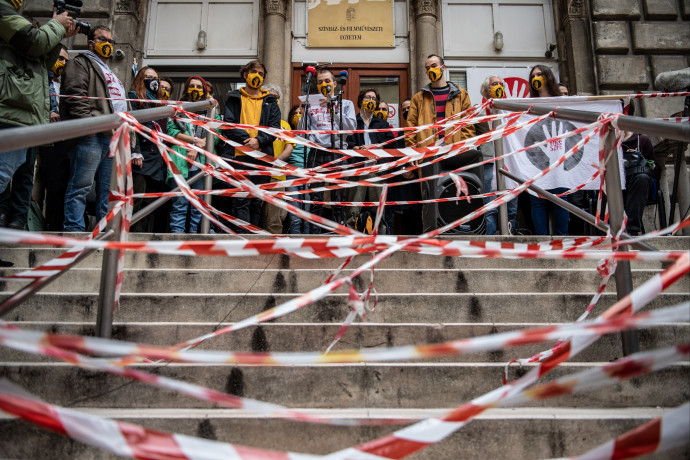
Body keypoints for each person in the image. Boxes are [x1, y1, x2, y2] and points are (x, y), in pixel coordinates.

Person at [0, 0, 76, 197]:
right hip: (10, 108)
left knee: (9, 174)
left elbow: (40, 63)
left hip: (20, 111)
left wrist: (58, 34)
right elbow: (35, 43)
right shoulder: (2, 9)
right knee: (3, 175)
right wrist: (57, 25)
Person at [60, 25, 127, 232]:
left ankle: (104, 230)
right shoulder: (80, 63)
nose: (106, 44)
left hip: (113, 136)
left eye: (110, 40)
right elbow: (75, 93)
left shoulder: (111, 72)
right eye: (101, 39)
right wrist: (87, 125)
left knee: (108, 190)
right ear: (91, 43)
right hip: (92, 133)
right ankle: (74, 228)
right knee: (81, 184)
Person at [406, 54, 481, 231]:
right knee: (429, 198)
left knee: (454, 193)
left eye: (433, 65)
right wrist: (412, 153)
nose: (430, 69)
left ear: (443, 67)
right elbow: (411, 129)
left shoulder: (461, 95)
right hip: (427, 155)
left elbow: (468, 125)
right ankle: (430, 234)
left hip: (454, 155)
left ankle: (454, 232)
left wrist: (462, 151)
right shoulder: (418, 98)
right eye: (427, 67)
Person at [218, 60, 280, 232]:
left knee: (257, 200)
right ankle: (242, 237)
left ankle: (254, 237)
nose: (257, 76)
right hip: (238, 156)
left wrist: (259, 141)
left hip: (262, 157)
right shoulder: (233, 98)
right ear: (245, 74)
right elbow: (229, 124)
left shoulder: (270, 101)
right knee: (240, 199)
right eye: (254, 72)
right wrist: (249, 142)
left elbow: (275, 128)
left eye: (261, 74)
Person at [302, 68, 357, 232]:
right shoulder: (311, 103)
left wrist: (333, 109)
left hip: (338, 152)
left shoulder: (346, 104)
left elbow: (351, 128)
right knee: (316, 197)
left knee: (338, 196)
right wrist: (304, 111)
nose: (323, 84)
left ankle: (338, 232)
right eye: (319, 82)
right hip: (317, 152)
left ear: (334, 83)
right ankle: (314, 234)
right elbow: (303, 131)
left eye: (327, 81)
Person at [166, 76, 215, 233]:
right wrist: (194, 141)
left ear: (204, 91)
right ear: (186, 89)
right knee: (179, 203)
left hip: (201, 163)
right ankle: (177, 236)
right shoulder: (177, 108)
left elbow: (216, 133)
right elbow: (172, 131)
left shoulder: (211, 110)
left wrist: (198, 147)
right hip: (180, 160)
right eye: (192, 86)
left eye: (199, 87)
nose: (195, 89)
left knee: (198, 204)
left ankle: (195, 235)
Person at [527, 64, 570, 235]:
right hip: (536, 157)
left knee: (561, 197)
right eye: (533, 76)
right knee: (537, 200)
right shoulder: (528, 104)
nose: (536, 78)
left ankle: (561, 238)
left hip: (559, 155)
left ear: (548, 76)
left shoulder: (563, 101)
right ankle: (542, 240)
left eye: (540, 74)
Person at [345, 89, 394, 233]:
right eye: (368, 97)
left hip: (377, 170)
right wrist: (362, 150)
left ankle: (381, 240)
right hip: (358, 169)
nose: (371, 101)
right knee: (353, 207)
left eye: (374, 99)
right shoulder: (353, 122)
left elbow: (390, 142)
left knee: (378, 209)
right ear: (360, 101)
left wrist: (375, 148)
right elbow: (347, 144)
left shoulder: (382, 123)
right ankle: (351, 238)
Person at [129, 66, 169, 232]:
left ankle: (141, 236)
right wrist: (135, 151)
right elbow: (132, 125)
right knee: (136, 198)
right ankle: (129, 235)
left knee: (149, 202)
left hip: (157, 158)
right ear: (140, 78)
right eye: (148, 77)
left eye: (155, 78)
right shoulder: (134, 97)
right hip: (142, 155)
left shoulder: (160, 102)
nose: (152, 81)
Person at [477, 75, 517, 235]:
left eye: (501, 84)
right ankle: (492, 242)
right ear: (486, 90)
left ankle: (510, 239)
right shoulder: (479, 113)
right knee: (490, 208)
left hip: (511, 163)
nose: (498, 86)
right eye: (494, 84)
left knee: (512, 208)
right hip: (489, 163)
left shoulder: (512, 112)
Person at [262, 84, 294, 234]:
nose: (272, 100)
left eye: (275, 98)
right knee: (263, 215)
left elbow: (289, 148)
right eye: (269, 97)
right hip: (259, 174)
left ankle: (276, 252)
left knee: (279, 216)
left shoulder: (284, 125)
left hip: (278, 175)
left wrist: (274, 163)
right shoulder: (257, 121)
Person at [285, 104, 309, 234]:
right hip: (291, 176)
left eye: (301, 113)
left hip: (307, 177)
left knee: (307, 217)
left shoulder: (311, 135)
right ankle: (295, 250)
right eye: (296, 113)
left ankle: (307, 250)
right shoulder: (288, 133)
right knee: (295, 218)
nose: (298, 116)